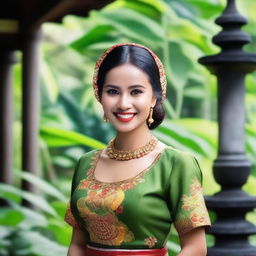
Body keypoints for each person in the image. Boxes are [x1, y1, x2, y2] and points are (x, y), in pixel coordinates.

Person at [64, 43, 211, 256]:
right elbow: (77, 244)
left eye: (136, 92)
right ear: (100, 95)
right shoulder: (85, 163)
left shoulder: (176, 164)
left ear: (154, 97)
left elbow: (196, 248)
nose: (124, 103)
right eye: (113, 91)